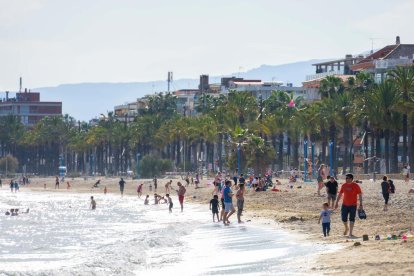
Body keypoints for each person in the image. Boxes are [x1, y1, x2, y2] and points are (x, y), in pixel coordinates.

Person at [335, 173, 363, 238]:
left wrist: (361, 204)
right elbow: (340, 194)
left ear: (351, 179)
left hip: (353, 205)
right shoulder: (344, 185)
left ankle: (350, 233)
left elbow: (360, 195)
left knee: (352, 219)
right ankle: (346, 228)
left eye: (348, 178)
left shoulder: (356, 185)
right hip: (344, 205)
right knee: (343, 219)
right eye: (346, 178)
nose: (346, 179)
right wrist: (336, 202)